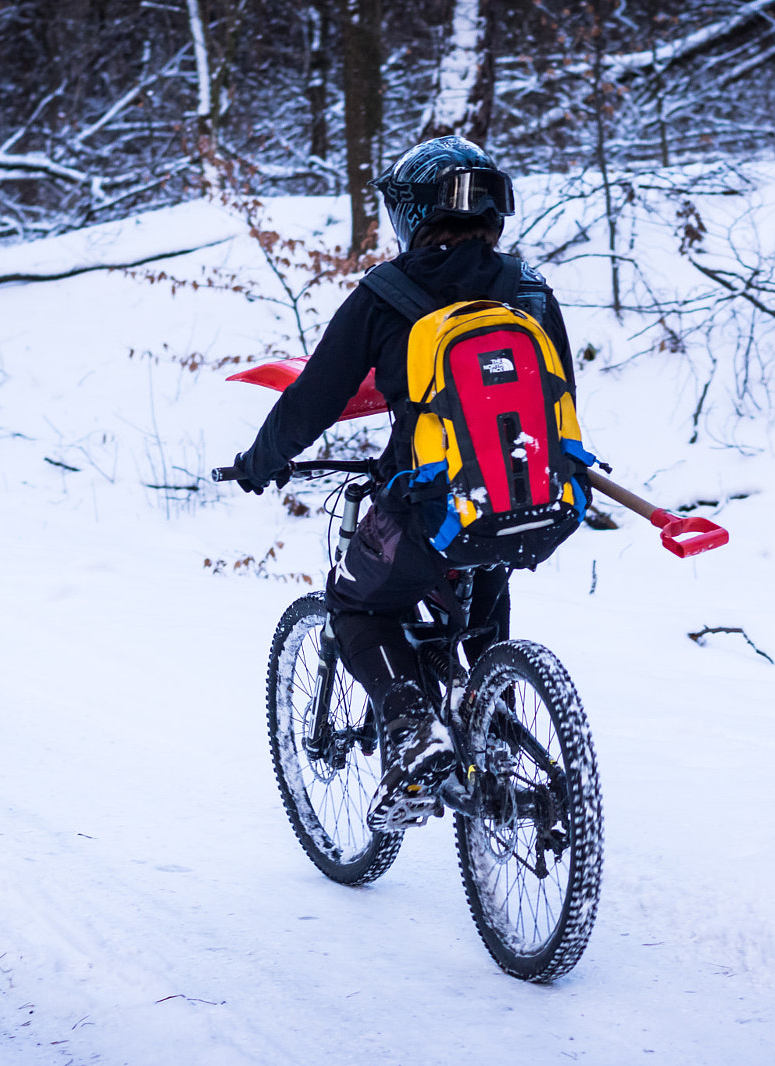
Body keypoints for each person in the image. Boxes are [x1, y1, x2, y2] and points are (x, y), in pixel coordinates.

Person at [228, 136, 580, 831]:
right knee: (482, 583)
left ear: (411, 213)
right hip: (533, 502)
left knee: (356, 605)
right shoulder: (530, 288)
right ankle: (495, 738)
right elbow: (558, 392)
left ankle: (414, 728)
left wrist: (260, 461)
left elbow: (313, 399)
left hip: (429, 510)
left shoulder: (386, 295)